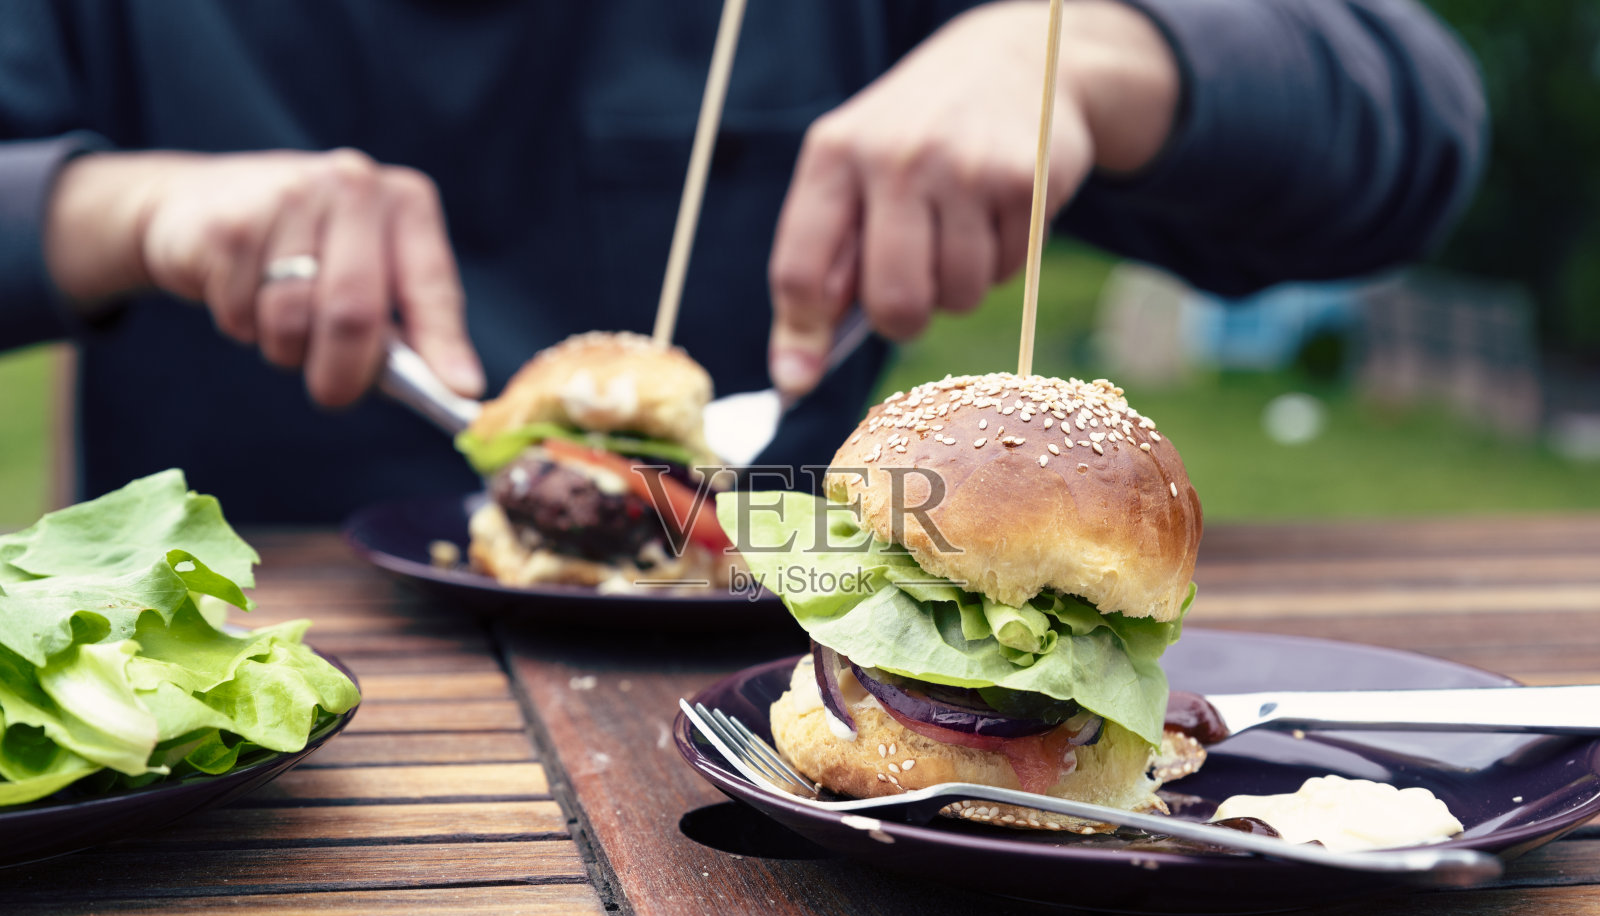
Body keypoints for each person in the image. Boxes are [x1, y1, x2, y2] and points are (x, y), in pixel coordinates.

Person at [0, 0, 1483, 521]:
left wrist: (1093, 49)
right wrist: (115, 210)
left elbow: (1414, 122)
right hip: (230, 786)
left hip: (810, 738)